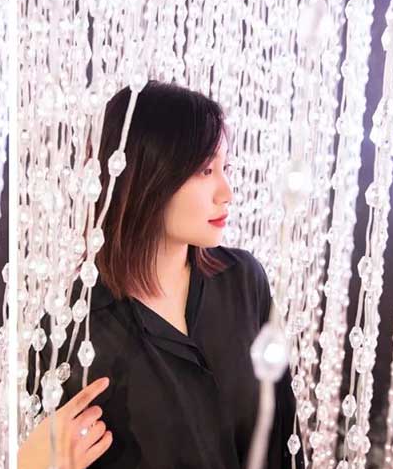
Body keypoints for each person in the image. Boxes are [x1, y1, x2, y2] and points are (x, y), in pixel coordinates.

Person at [32, 81, 304, 468]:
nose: (226, 192)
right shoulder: (75, 332)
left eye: (225, 169)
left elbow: (285, 439)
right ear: (148, 176)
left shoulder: (244, 281)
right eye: (206, 170)